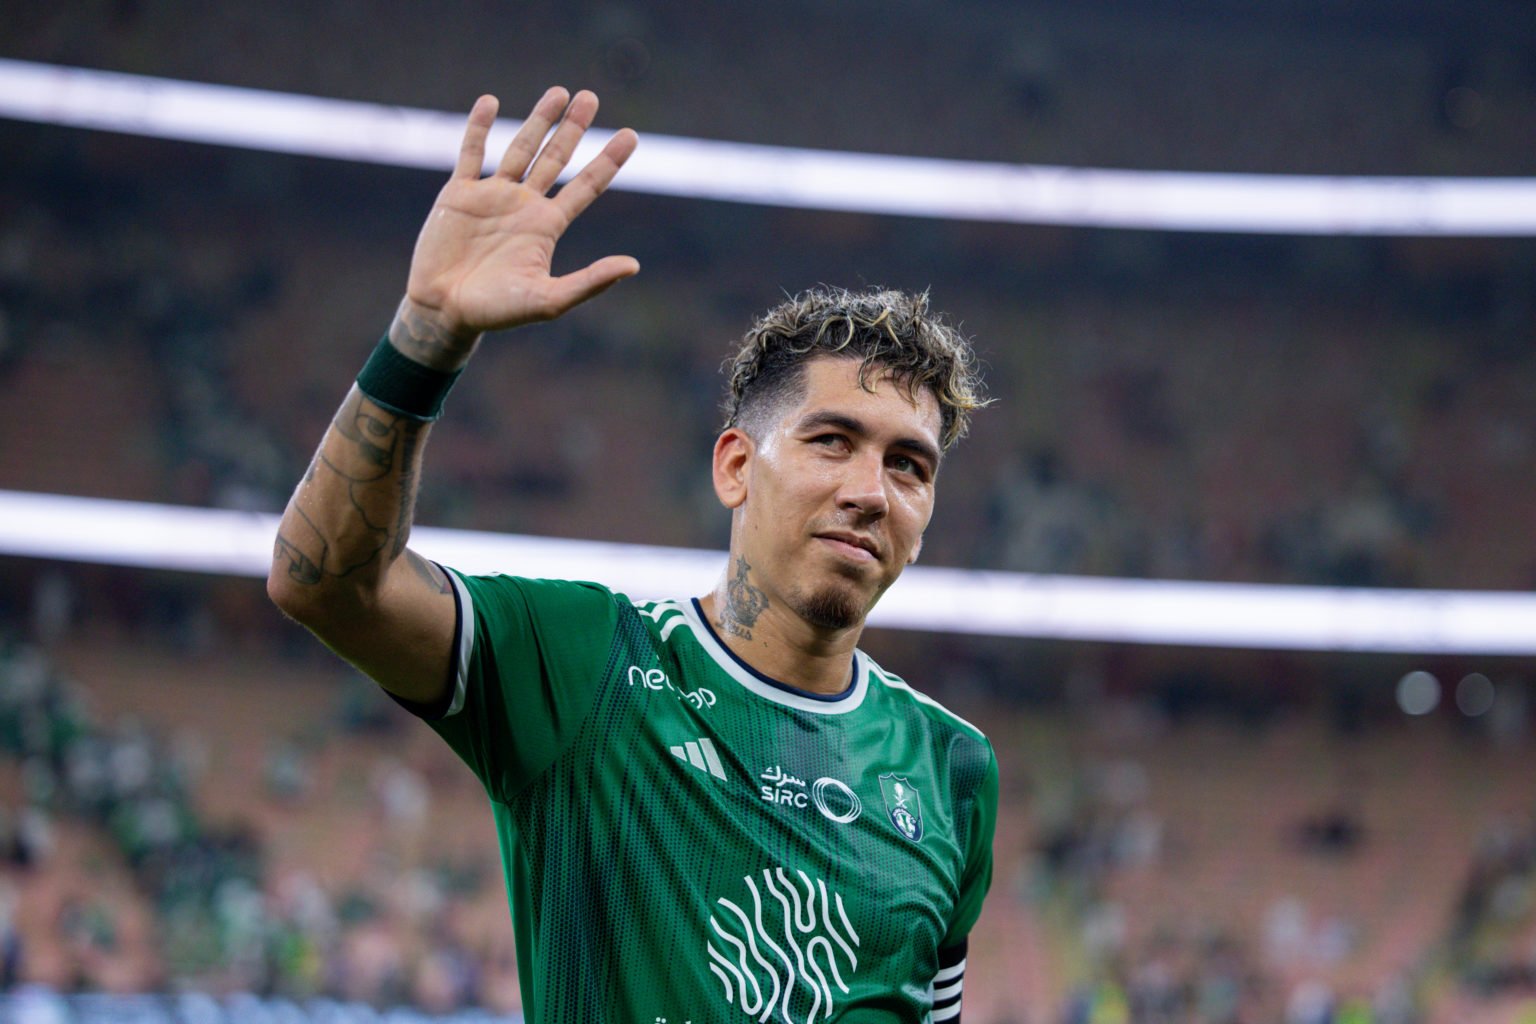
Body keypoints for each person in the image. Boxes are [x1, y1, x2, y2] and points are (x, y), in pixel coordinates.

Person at [268, 86, 998, 1024]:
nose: (871, 490)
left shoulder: (951, 768)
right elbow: (324, 583)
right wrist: (427, 334)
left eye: (909, 465)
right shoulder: (588, 664)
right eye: (831, 442)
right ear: (736, 466)